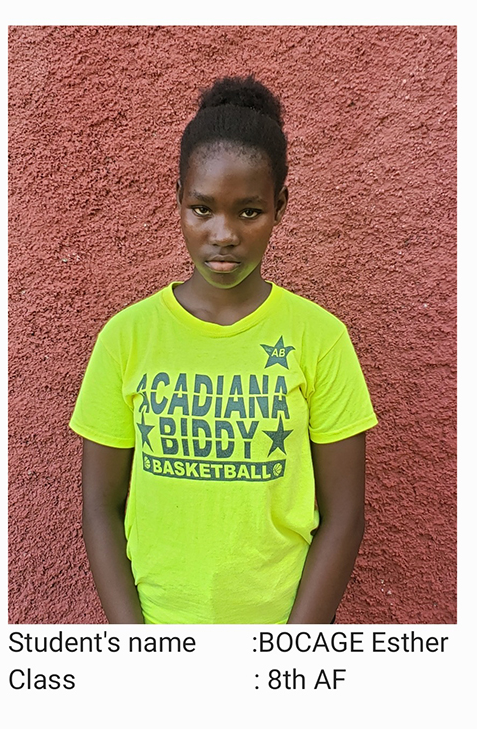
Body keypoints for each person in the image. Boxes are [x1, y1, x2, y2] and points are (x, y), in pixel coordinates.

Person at [69, 75, 378, 624]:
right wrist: (134, 648)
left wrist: (294, 650)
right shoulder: (127, 337)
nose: (224, 233)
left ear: (280, 207)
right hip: (157, 634)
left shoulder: (319, 337)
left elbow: (345, 515)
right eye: (203, 208)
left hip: (276, 635)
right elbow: (99, 507)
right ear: (179, 202)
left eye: (249, 211)